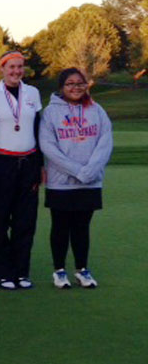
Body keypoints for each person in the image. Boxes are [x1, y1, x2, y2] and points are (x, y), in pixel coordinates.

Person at [39, 68, 112, 289]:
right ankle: (59, 271)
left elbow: (105, 141)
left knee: (82, 227)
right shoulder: (51, 113)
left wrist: (89, 171)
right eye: (70, 84)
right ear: (62, 87)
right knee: (60, 227)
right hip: (61, 182)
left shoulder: (97, 110)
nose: (76, 88)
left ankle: (82, 270)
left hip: (90, 182)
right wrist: (77, 171)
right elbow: (48, 147)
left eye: (80, 83)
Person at [0, 51, 43, 290]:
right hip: (2, 164)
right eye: (11, 67)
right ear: (2, 69)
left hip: (28, 164)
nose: (16, 71)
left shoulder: (33, 93)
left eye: (20, 67)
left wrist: (39, 166)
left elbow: (38, 131)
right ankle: (1, 272)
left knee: (25, 221)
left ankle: (21, 272)